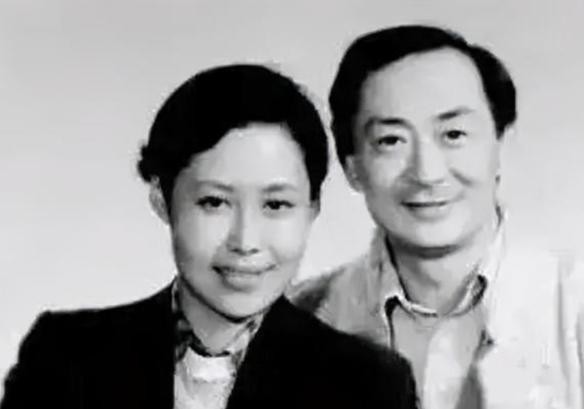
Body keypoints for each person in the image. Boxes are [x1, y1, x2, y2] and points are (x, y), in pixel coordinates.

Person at [1, 64, 417, 409]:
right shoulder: (64, 358)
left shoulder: (369, 385)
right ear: (162, 200)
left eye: (276, 205)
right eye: (214, 202)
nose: (245, 241)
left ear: (312, 209)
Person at [290, 25, 584, 409]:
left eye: (453, 134)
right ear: (352, 168)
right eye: (391, 141)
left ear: (499, 145)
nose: (427, 173)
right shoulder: (299, 316)